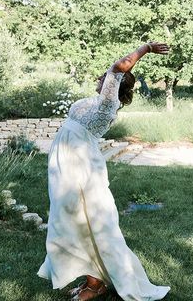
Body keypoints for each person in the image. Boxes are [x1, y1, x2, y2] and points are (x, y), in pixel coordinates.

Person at [38, 43, 171, 301]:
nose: (101, 77)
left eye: (107, 77)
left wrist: (146, 49)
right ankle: (91, 278)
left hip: (80, 167)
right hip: (66, 165)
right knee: (70, 221)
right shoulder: (99, 100)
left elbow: (118, 67)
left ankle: (95, 282)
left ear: (115, 85)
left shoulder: (108, 102)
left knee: (87, 222)